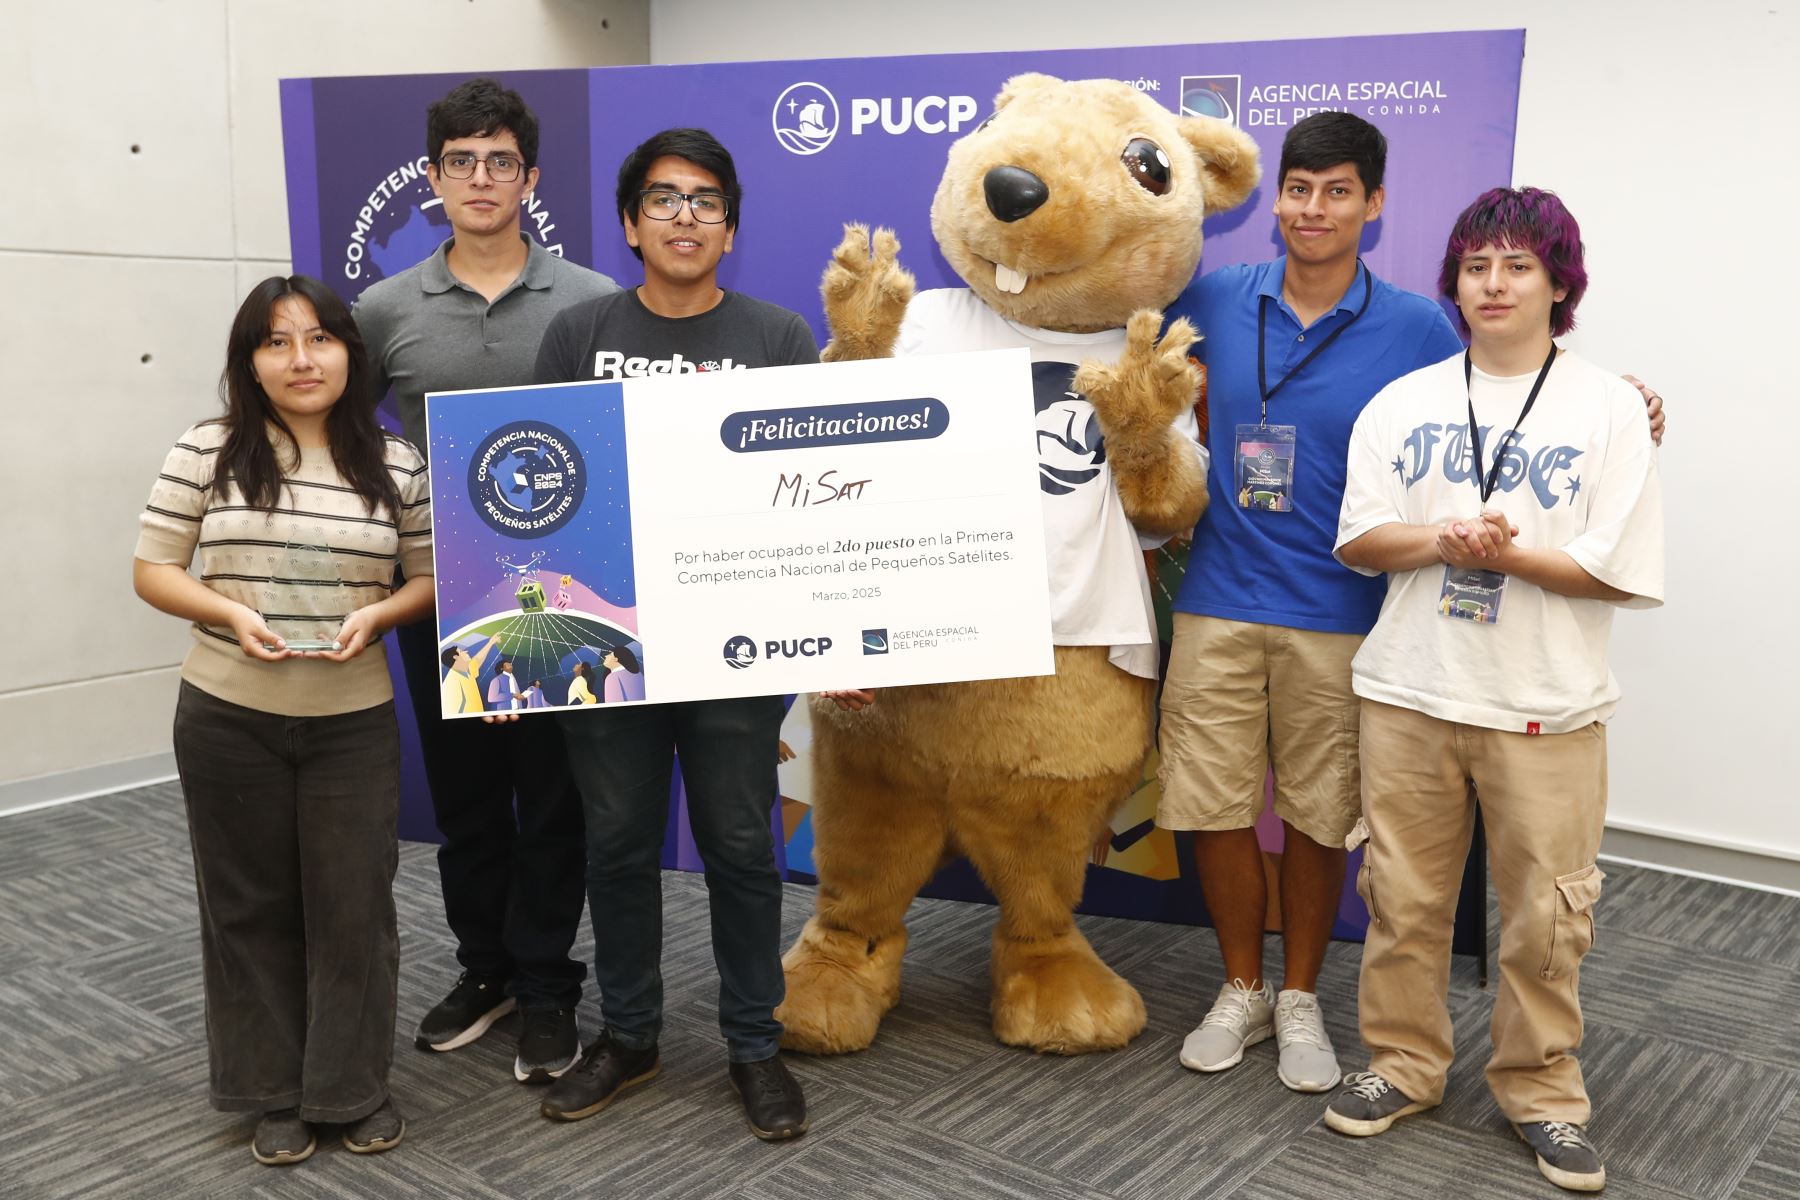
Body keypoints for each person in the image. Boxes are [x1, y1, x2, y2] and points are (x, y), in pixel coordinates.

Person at [1154, 114, 1667, 1093]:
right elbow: (1132, 374)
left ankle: (1301, 998)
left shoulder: (1418, 327)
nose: (1314, 208)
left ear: (1374, 205)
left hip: (1347, 611)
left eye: (1337, 190)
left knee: (1315, 816)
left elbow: (1510, 397)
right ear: (1278, 201)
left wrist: (1630, 409)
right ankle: (1240, 987)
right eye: (1299, 189)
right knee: (1210, 806)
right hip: (1216, 596)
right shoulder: (1214, 298)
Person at [1326, 187, 1661, 1194]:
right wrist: (1446, 540)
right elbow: (1357, 538)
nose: (1495, 283)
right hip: (1408, 694)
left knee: (1545, 919)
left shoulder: (1610, 407)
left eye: (1519, 265)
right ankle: (1403, 1065)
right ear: (1455, 282)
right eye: (1478, 265)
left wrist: (1511, 560)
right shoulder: (1406, 400)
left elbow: (1616, 569)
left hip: (1546, 709)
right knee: (1403, 903)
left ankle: (1543, 1092)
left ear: (1560, 282)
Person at [533, 127, 817, 1141]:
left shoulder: (781, 339)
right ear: (629, 224)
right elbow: (547, 492)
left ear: (730, 229)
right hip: (608, 639)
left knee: (743, 845)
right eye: (663, 200)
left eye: (704, 202)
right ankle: (633, 1036)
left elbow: (809, 508)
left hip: (738, 640)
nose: (684, 217)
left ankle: (753, 1044)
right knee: (615, 842)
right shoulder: (578, 336)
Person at [352, 76, 619, 1085]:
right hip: (444, 590)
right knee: (469, 802)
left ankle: (550, 986)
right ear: (434, 179)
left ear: (529, 178)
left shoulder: (593, 299)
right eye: (460, 161)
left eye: (499, 160)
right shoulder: (384, 308)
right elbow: (343, 438)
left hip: (566, 595)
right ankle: (488, 971)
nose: (480, 177)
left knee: (555, 803)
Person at [133, 276, 434, 1165]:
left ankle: (350, 1088)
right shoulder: (208, 449)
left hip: (352, 721)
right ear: (250, 362)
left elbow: (425, 581)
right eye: (276, 342)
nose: (301, 359)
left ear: (351, 350)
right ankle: (271, 1093)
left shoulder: (397, 462)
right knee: (247, 906)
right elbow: (154, 568)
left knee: (353, 908)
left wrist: (378, 616)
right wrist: (228, 613)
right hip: (228, 715)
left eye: (319, 338)